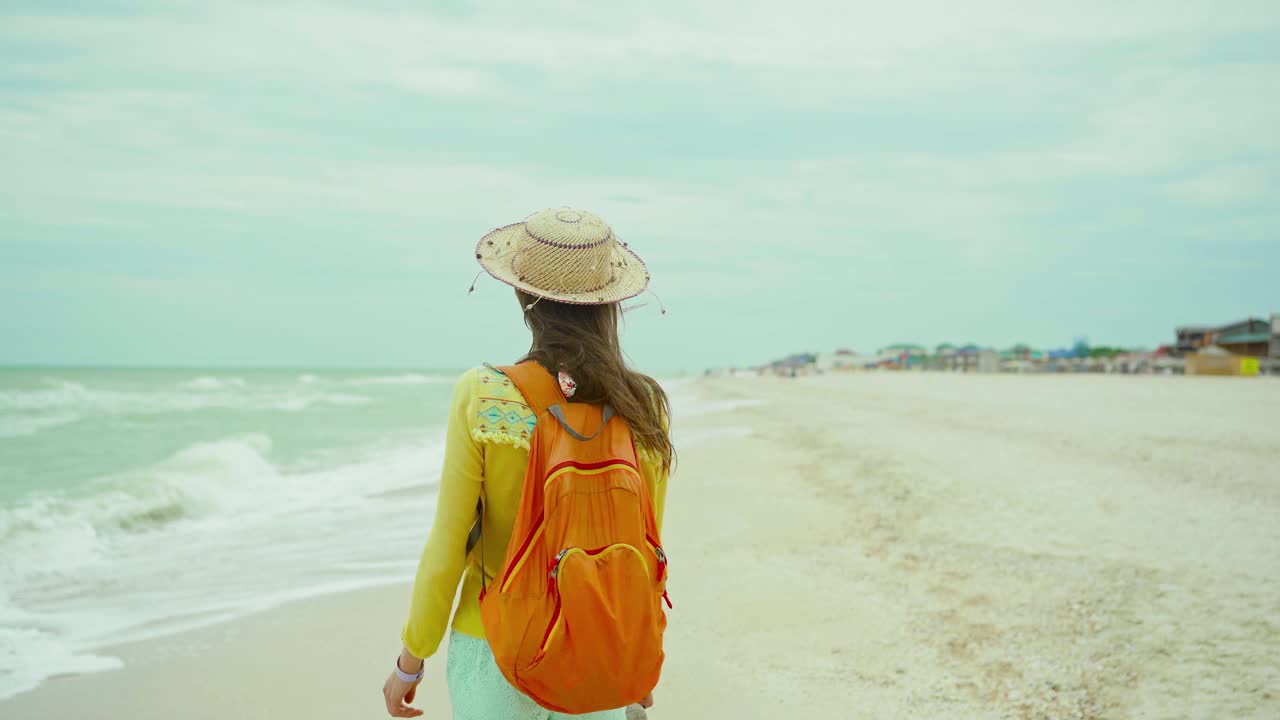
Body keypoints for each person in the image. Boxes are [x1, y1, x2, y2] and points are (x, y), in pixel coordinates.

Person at [382, 208, 674, 719]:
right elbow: (644, 548)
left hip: (494, 644)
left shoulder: (485, 393)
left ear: (523, 297)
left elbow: (449, 544)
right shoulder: (643, 404)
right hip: (598, 648)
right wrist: (635, 661)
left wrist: (412, 657)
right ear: (609, 302)